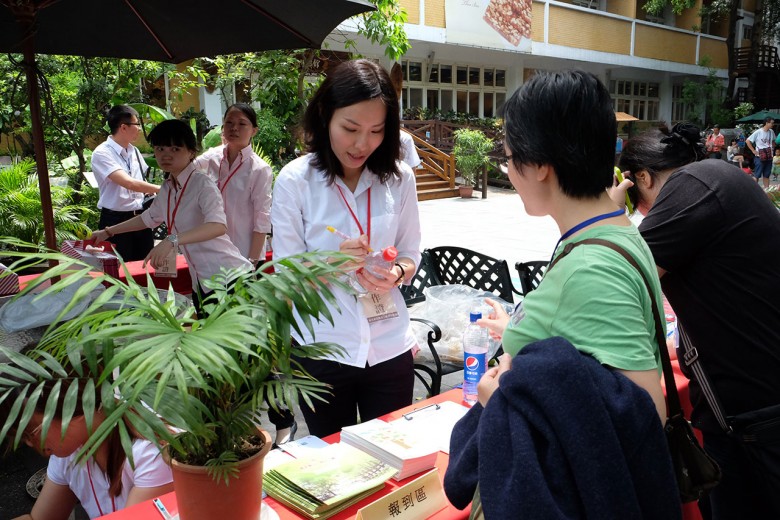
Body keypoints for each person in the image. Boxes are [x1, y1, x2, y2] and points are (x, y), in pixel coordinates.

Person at [443, 70, 676, 517]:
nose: (508, 170)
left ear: (540, 165)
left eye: (509, 158)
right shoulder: (612, 232)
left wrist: (506, 396)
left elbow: (645, 411)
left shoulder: (592, 267)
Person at [616, 122, 780, 519]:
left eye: (634, 201)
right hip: (748, 411)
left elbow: (615, 277)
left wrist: (605, 211)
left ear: (642, 178)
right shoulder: (716, 179)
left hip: (760, 417)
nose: (641, 216)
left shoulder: (695, 183)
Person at [271, 59, 421, 438]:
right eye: (350, 128)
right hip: (323, 349)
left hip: (389, 346)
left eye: (376, 131)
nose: (362, 144)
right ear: (325, 115)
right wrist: (332, 263)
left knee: (392, 457)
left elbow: (410, 252)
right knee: (332, 466)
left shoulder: (399, 179)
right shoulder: (296, 180)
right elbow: (287, 274)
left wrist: (397, 273)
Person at [91, 120, 250, 316]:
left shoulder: (202, 184)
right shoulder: (167, 187)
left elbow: (217, 226)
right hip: (201, 281)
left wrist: (172, 240)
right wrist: (108, 231)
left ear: (191, 152)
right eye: (159, 148)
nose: (165, 155)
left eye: (175, 148)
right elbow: (149, 218)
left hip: (230, 277)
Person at [3, 384, 173, 520]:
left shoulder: (153, 454)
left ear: (71, 412)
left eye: (30, 433)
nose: (29, 444)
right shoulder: (69, 449)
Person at [193, 104, 273, 268]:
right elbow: (186, 172)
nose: (234, 128)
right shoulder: (211, 158)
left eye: (242, 124)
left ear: (254, 131)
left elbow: (262, 219)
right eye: (229, 123)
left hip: (242, 254)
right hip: (210, 251)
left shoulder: (259, 169)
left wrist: (252, 262)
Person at [91, 105, 160, 261]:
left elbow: (140, 180)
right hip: (115, 219)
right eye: (137, 125)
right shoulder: (102, 153)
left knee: (144, 266)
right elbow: (128, 182)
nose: (140, 130)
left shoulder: (134, 151)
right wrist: (161, 189)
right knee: (119, 270)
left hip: (140, 218)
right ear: (123, 127)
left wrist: (149, 191)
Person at [745, 116, 775, 188]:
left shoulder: (771, 132)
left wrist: (772, 148)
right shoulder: (758, 132)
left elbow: (773, 141)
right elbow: (748, 141)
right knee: (757, 175)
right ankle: (754, 190)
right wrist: (753, 150)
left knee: (767, 175)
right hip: (759, 157)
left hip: (769, 156)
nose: (773, 124)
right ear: (767, 123)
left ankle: (767, 191)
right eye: (772, 123)